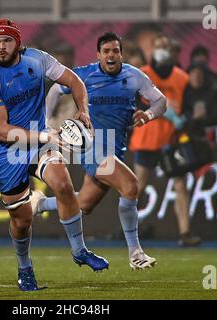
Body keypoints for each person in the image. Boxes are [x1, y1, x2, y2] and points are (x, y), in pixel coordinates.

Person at [0, 18, 108, 292]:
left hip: (38, 140)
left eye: (7, 41)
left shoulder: (38, 59)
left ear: (18, 42)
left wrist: (84, 110)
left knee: (63, 185)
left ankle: (79, 250)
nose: (1, 47)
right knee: (21, 221)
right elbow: (2, 131)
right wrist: (48, 136)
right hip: (6, 151)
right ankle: (24, 268)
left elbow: (74, 80)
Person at [33, 32, 166, 270]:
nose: (111, 55)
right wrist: (45, 122)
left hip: (115, 147)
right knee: (131, 185)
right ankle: (136, 253)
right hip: (91, 145)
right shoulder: (84, 74)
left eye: (115, 51)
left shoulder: (135, 77)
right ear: (99, 55)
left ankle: (41, 204)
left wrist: (147, 114)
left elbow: (161, 102)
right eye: (106, 51)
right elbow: (55, 90)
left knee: (83, 204)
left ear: (121, 54)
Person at [128, 33, 202, 247]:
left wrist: (184, 117)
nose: (162, 50)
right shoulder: (143, 74)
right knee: (138, 187)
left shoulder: (182, 77)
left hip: (172, 139)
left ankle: (185, 232)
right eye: (158, 46)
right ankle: (130, 229)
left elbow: (190, 106)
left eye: (165, 46)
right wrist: (165, 111)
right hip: (148, 137)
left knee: (180, 185)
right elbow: (135, 103)